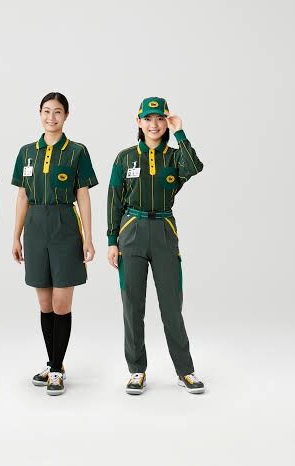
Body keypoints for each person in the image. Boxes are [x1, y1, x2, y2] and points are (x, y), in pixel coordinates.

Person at [106, 97, 205, 395]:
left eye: (160, 118)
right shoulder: (125, 158)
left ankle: (185, 371)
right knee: (132, 304)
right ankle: (136, 370)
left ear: (166, 121)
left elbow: (194, 167)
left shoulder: (175, 158)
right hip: (131, 231)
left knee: (172, 305)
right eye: (148, 119)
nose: (154, 124)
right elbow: (114, 199)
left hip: (163, 229)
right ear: (138, 122)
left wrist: (180, 131)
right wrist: (112, 241)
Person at [11, 92, 98, 396]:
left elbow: (83, 195)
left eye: (57, 112)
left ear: (66, 116)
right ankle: (52, 365)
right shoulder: (26, 152)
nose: (51, 117)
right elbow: (22, 195)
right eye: (46, 111)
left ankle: (57, 369)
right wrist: (16, 235)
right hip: (35, 227)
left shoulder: (76, 151)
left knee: (61, 303)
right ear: (39, 114)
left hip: (65, 225)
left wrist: (88, 237)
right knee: (45, 303)